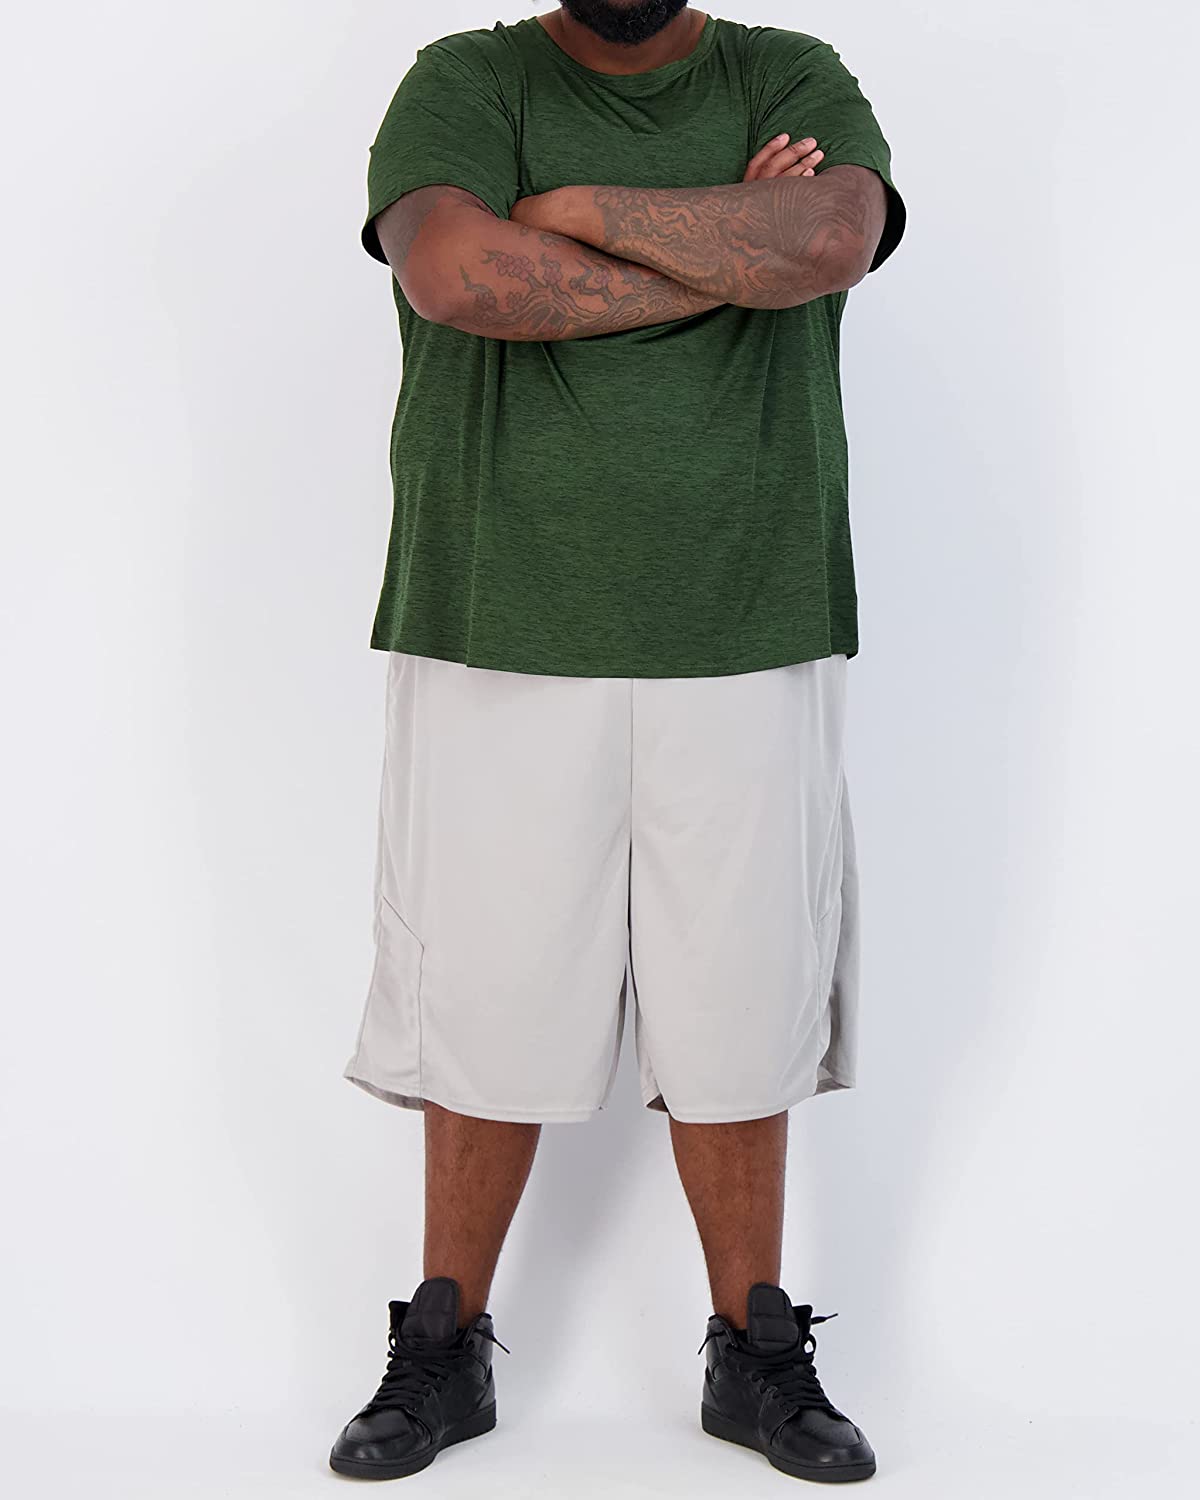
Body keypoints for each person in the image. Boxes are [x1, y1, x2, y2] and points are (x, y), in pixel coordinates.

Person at [331, 0, 906, 1484]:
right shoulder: (468, 79)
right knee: (487, 982)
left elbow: (827, 241)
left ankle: (753, 1349)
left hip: (749, 601)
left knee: (745, 985)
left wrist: (574, 209)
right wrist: (722, 249)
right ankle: (445, 1344)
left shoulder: (788, 72)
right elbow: (457, 275)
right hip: (499, 603)